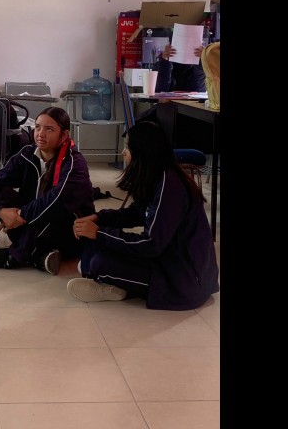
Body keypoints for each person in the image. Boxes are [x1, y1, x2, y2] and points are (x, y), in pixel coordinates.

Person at [66, 120, 219, 310]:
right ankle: (113, 283)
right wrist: (99, 218)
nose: (124, 152)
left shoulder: (170, 186)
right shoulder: (159, 177)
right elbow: (136, 212)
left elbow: (150, 244)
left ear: (143, 152)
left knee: (100, 262)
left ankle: (114, 284)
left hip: (184, 281)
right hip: (168, 260)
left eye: (128, 147)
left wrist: (99, 233)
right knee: (93, 245)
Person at [0, 106, 94, 275]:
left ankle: (15, 256)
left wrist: (20, 215)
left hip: (69, 234)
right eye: (37, 127)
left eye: (49, 129)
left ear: (64, 135)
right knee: (2, 193)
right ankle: (40, 256)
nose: (40, 134)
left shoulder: (74, 162)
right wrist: (1, 212)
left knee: (52, 207)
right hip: (34, 226)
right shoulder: (27, 154)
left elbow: (58, 201)